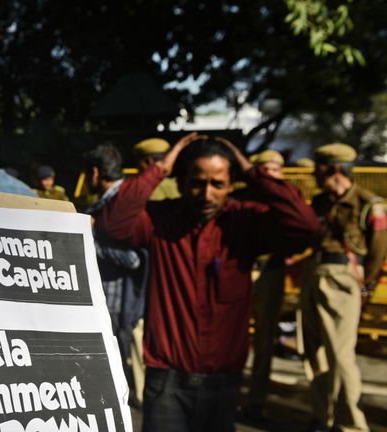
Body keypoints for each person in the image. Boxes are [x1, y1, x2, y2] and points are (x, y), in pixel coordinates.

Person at [95, 133, 319, 432]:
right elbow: (114, 224)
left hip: (224, 386)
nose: (207, 194)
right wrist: (162, 166)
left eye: (218, 184)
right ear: (181, 182)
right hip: (166, 385)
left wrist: (253, 171)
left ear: (231, 185)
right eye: (197, 183)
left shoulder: (245, 223)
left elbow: (306, 227)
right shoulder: (161, 220)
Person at [302, 143, 387, 432]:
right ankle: (322, 416)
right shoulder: (320, 202)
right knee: (313, 351)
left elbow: (377, 251)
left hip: (343, 277)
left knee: (340, 355)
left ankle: (351, 425)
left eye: (319, 167)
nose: (314, 173)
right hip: (313, 272)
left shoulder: (369, 203)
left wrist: (367, 288)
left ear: (335, 169)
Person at [83, 143, 146, 407]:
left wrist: (90, 239)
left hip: (126, 303)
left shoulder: (119, 205)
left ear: (95, 173)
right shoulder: (107, 203)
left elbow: (133, 258)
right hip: (115, 301)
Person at [242, 149, 290, 421]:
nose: (272, 176)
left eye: (276, 170)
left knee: (264, 341)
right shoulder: (243, 201)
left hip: (271, 271)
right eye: (266, 170)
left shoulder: (286, 202)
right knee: (232, 336)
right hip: (243, 270)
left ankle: (256, 400)